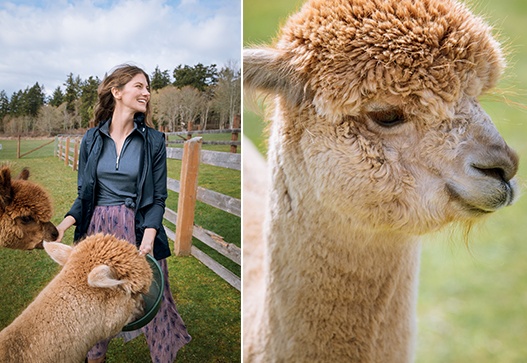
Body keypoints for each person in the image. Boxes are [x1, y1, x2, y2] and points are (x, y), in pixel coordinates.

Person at [54, 64, 191, 363]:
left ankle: (162, 357)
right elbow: (85, 196)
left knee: (154, 303)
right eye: (139, 86)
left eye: (148, 87)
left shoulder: (154, 141)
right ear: (117, 92)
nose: (147, 93)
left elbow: (157, 198)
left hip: (139, 230)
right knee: (95, 300)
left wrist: (150, 237)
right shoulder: (91, 139)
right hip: (97, 233)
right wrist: (63, 225)